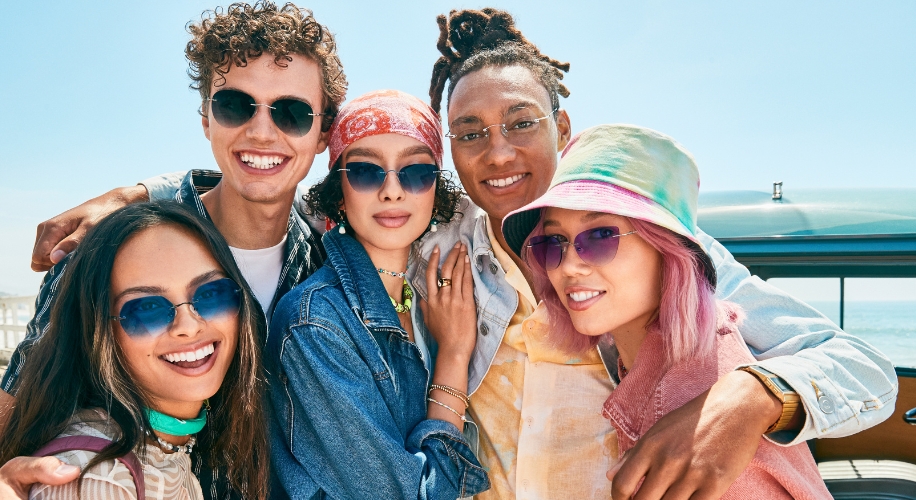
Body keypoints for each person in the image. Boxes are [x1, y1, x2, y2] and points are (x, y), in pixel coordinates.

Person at [17, 7, 898, 500]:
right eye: (471, 132)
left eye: (521, 125)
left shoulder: (641, 244)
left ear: (563, 128)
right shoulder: (435, 251)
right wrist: (135, 193)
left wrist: (757, 393)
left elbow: (860, 367)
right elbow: (268, 195)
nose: (500, 152)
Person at [0, 3, 346, 498]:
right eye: (235, 106)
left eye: (291, 112)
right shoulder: (105, 255)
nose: (262, 131)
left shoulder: (326, 264)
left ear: (322, 134)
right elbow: (16, 410)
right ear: (206, 118)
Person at [501, 124, 834, 499]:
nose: (568, 266)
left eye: (599, 237)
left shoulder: (695, 407)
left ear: (667, 251)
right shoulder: (665, 356)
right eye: (552, 242)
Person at [267, 89, 489, 499]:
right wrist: (455, 355)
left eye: (416, 173)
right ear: (339, 189)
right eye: (367, 171)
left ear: (435, 190)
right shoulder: (315, 325)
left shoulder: (426, 298)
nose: (392, 191)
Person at [0, 201, 269, 499]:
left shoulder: (165, 443)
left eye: (211, 294)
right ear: (99, 332)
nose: (189, 325)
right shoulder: (98, 480)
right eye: (148, 308)